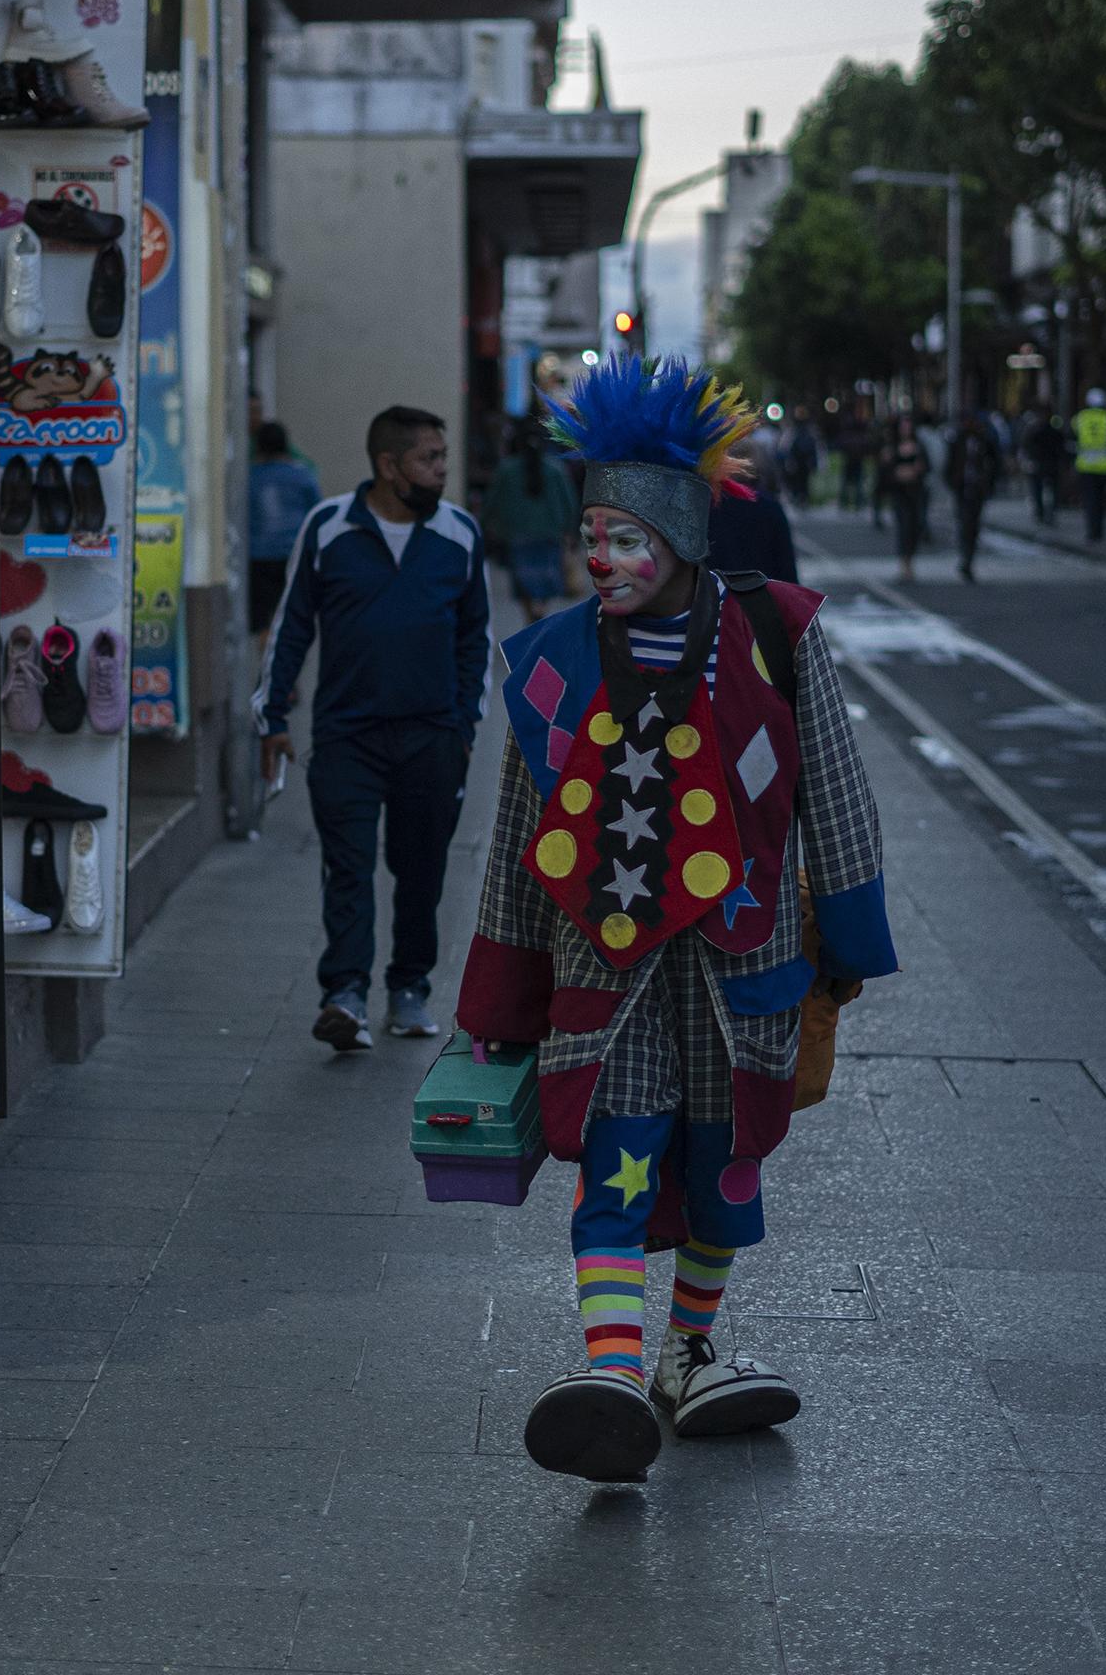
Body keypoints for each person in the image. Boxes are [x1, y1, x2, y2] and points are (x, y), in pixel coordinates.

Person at [455, 356, 894, 1483]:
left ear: (682, 539)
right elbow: (516, 839)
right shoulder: (552, 663)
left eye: (624, 536)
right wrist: (499, 1002)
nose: (600, 556)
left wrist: (844, 941)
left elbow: (835, 793)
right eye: (591, 534)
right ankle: (612, 1369)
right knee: (618, 1157)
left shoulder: (777, 637)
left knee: (725, 1160)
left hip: (740, 962)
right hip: (600, 968)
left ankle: (688, 1351)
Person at [253, 405, 491, 1050]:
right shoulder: (328, 527)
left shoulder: (461, 534)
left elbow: (476, 640)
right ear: (388, 466)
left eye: (442, 457)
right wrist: (272, 714)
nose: (442, 470)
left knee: (421, 870)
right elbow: (292, 624)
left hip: (432, 737)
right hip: (346, 737)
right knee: (349, 867)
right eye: (429, 459)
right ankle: (345, 995)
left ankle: (410, 989)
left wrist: (464, 726)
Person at [483, 421, 580, 622]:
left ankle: (530, 615)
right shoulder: (556, 469)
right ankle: (540, 610)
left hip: (517, 534)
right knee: (546, 580)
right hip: (550, 534)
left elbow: (492, 501)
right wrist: (572, 531)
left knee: (523, 582)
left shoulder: (506, 469)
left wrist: (486, 526)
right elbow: (570, 502)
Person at [246, 422, 323, 644]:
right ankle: (288, 668)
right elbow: (316, 513)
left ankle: (268, 664)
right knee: (293, 615)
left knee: (263, 621)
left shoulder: (251, 477)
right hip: (294, 555)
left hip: (258, 556)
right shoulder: (302, 475)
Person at [705, 437, 799, 582]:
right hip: (762, 594)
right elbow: (786, 566)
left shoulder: (708, 507)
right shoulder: (770, 507)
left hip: (719, 594)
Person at [947, 407, 1004, 580]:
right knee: (964, 522)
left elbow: (995, 462)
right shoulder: (958, 439)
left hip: (977, 488)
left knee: (973, 524)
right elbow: (950, 463)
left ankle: (968, 558)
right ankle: (965, 556)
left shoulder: (984, 439)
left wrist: (989, 483)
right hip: (962, 487)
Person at [880, 416, 931, 583]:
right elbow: (886, 471)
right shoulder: (892, 448)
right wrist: (899, 473)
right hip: (900, 493)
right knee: (904, 527)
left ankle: (911, 561)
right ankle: (904, 564)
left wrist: (916, 470)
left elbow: (926, 467)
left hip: (915, 493)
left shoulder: (918, 447)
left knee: (915, 526)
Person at [1071, 387, 1106, 543]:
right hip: (1105, 466)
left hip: (1085, 466)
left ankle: (1091, 530)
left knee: (1090, 500)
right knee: (1101, 500)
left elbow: (1073, 438)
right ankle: (1099, 530)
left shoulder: (1080, 418)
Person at [1025, 407, 1068, 527]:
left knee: (1039, 489)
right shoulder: (1055, 431)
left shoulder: (1035, 431)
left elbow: (1028, 446)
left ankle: (1042, 513)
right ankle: (1048, 513)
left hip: (1041, 464)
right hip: (1050, 464)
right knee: (1050, 490)